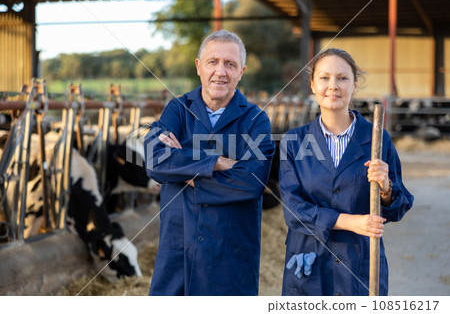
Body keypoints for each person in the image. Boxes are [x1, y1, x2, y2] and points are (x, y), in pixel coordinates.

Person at [144, 30, 275, 296]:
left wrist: (185, 173)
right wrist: (216, 162)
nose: (220, 71)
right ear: (198, 67)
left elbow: (251, 182)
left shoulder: (255, 120)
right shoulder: (178, 109)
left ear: (241, 72)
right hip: (177, 254)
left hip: (230, 259)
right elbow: (155, 159)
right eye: (212, 61)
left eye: (230, 64)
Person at [279, 48, 414, 296]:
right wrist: (351, 222)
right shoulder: (294, 141)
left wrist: (386, 189)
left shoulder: (376, 139)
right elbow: (292, 209)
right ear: (312, 85)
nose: (333, 86)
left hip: (360, 266)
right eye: (324, 78)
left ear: (355, 85)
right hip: (309, 264)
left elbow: (400, 207)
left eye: (342, 78)